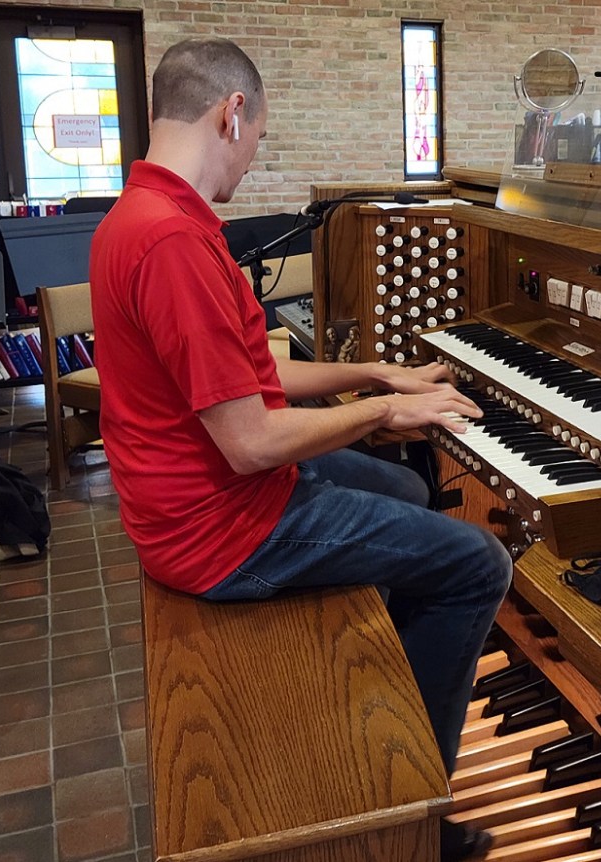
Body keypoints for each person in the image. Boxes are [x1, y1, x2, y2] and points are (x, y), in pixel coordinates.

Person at [89, 37, 510, 861]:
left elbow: (257, 380)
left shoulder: (146, 214)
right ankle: (410, 815)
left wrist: (376, 370)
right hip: (219, 531)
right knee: (477, 565)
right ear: (230, 112)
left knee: (415, 496)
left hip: (195, 497)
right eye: (258, 139)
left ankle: (378, 674)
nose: (251, 159)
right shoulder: (172, 242)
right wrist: (380, 412)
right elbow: (251, 442)